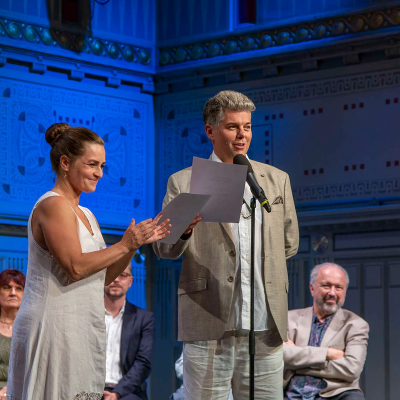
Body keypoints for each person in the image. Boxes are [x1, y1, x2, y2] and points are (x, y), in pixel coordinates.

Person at [7, 123, 170, 400]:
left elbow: (104, 277)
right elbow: (75, 267)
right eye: (92, 164)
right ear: (65, 163)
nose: (99, 173)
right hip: (52, 327)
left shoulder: (87, 214)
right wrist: (124, 244)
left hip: (78, 326)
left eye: (102, 166)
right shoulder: (53, 204)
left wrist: (133, 246)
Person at [154, 90, 299, 399]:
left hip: (265, 324)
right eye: (233, 127)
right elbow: (163, 248)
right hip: (209, 321)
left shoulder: (276, 180)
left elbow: (289, 243)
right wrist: (184, 232)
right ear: (211, 130)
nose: (242, 135)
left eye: (247, 127)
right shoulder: (184, 182)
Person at [283, 262, 369, 400]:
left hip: (335, 394)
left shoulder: (356, 325)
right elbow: (282, 355)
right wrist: (328, 353)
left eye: (339, 287)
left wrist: (297, 363)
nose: (332, 293)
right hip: (292, 393)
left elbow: (351, 369)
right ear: (312, 288)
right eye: (326, 286)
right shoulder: (289, 319)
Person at [103, 264, 154, 400]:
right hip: (90, 389)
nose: (116, 279)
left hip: (126, 393)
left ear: (130, 281)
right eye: (112, 274)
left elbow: (143, 363)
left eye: (122, 275)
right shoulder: (89, 315)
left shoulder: (144, 319)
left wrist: (116, 394)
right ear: (102, 279)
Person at [0, 269, 25, 398]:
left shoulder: (31, 330)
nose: (13, 293)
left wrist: (10, 389)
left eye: (19, 288)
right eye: (7, 287)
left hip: (23, 391)